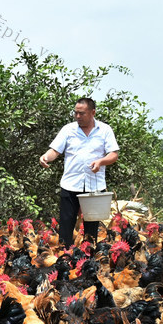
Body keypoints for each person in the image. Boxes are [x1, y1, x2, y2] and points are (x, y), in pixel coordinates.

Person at [39, 97, 119, 248]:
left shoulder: (105, 130)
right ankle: (65, 258)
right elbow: (55, 150)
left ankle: (88, 262)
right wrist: (45, 157)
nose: (77, 117)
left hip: (94, 186)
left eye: (81, 113)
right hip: (70, 184)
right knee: (66, 225)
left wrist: (100, 162)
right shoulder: (68, 129)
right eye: (75, 113)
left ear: (92, 112)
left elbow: (113, 155)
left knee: (91, 229)